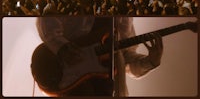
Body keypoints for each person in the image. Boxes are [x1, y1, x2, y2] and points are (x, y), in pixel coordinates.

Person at [31, 17, 163, 96]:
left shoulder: (125, 19)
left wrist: (150, 62)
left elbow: (125, 58)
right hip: (71, 81)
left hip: (110, 86)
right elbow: (47, 20)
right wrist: (61, 47)